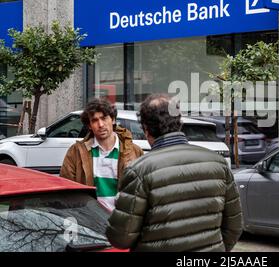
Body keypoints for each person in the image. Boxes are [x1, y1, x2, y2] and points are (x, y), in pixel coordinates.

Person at [106, 94, 243, 252]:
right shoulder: (218, 163)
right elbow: (234, 226)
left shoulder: (138, 171)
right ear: (179, 123)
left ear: (146, 129)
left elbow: (121, 237)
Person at [60, 98, 144, 211]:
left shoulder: (135, 152)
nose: (100, 124)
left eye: (104, 118)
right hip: (91, 222)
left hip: (122, 222)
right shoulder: (76, 152)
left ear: (113, 120)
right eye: (94, 120)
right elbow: (66, 191)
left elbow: (143, 193)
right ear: (89, 125)